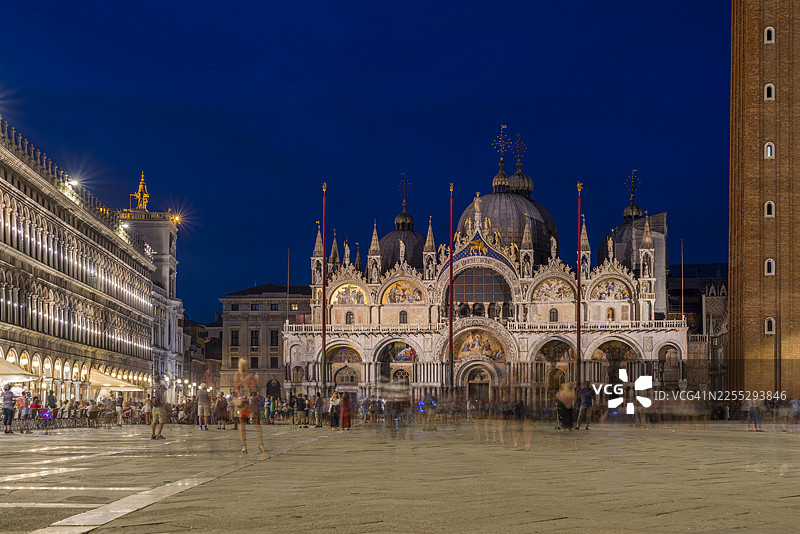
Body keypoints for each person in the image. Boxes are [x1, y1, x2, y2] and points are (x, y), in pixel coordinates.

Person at [233, 359, 266, 454]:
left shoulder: (253, 374)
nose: (248, 366)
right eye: (246, 365)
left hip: (252, 400)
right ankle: (244, 446)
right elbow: (236, 387)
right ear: (242, 366)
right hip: (242, 401)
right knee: (242, 423)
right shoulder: (238, 374)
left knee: (257, 423)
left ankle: (261, 444)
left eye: (248, 365)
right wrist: (244, 380)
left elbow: (257, 388)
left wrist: (257, 381)